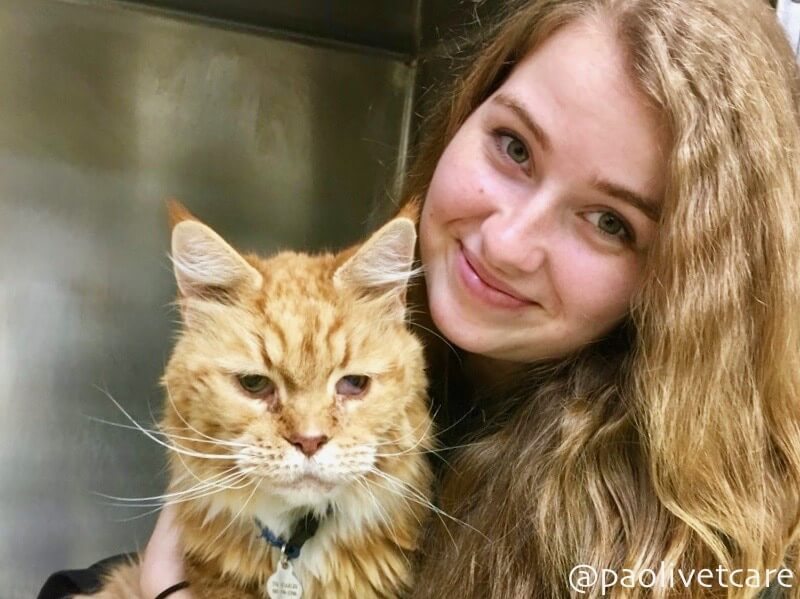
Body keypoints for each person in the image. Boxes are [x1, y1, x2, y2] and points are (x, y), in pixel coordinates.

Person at [40, 0, 800, 597]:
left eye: (610, 221)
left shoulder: (721, 557)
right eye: (514, 146)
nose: (506, 242)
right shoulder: (386, 325)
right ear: (467, 108)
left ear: (690, 279)